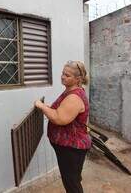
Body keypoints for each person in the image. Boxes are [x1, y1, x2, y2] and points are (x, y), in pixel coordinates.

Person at [34, 60, 91, 193]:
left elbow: (60, 118)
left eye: (67, 75)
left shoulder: (74, 97)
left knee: (72, 183)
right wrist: (49, 109)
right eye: (63, 73)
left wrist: (42, 106)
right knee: (73, 178)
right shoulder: (70, 91)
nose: (63, 77)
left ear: (78, 79)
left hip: (72, 148)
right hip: (68, 147)